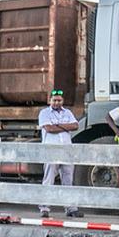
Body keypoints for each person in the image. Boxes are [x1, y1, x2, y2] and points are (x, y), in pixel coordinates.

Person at [36, 90, 82, 219]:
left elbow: (75, 126)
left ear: (63, 101)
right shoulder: (44, 113)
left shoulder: (67, 112)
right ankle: (44, 208)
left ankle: (71, 208)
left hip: (67, 150)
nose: (57, 102)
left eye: (59, 100)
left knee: (68, 179)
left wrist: (58, 125)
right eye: (54, 100)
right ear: (50, 100)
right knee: (49, 178)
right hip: (51, 150)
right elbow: (49, 129)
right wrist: (65, 126)